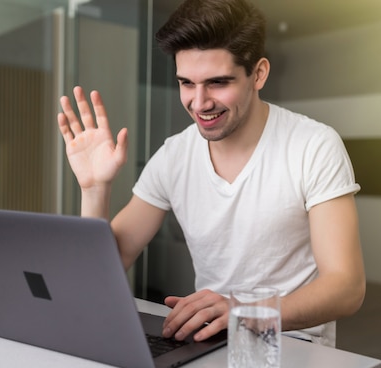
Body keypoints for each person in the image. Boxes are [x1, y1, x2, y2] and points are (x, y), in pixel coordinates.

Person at [57, 0, 365, 346]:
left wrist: (242, 311)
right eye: (187, 83)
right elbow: (100, 273)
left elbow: (347, 287)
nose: (199, 102)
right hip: (209, 339)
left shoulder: (314, 146)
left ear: (259, 74)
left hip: (291, 346)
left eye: (217, 83)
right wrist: (95, 189)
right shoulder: (174, 155)